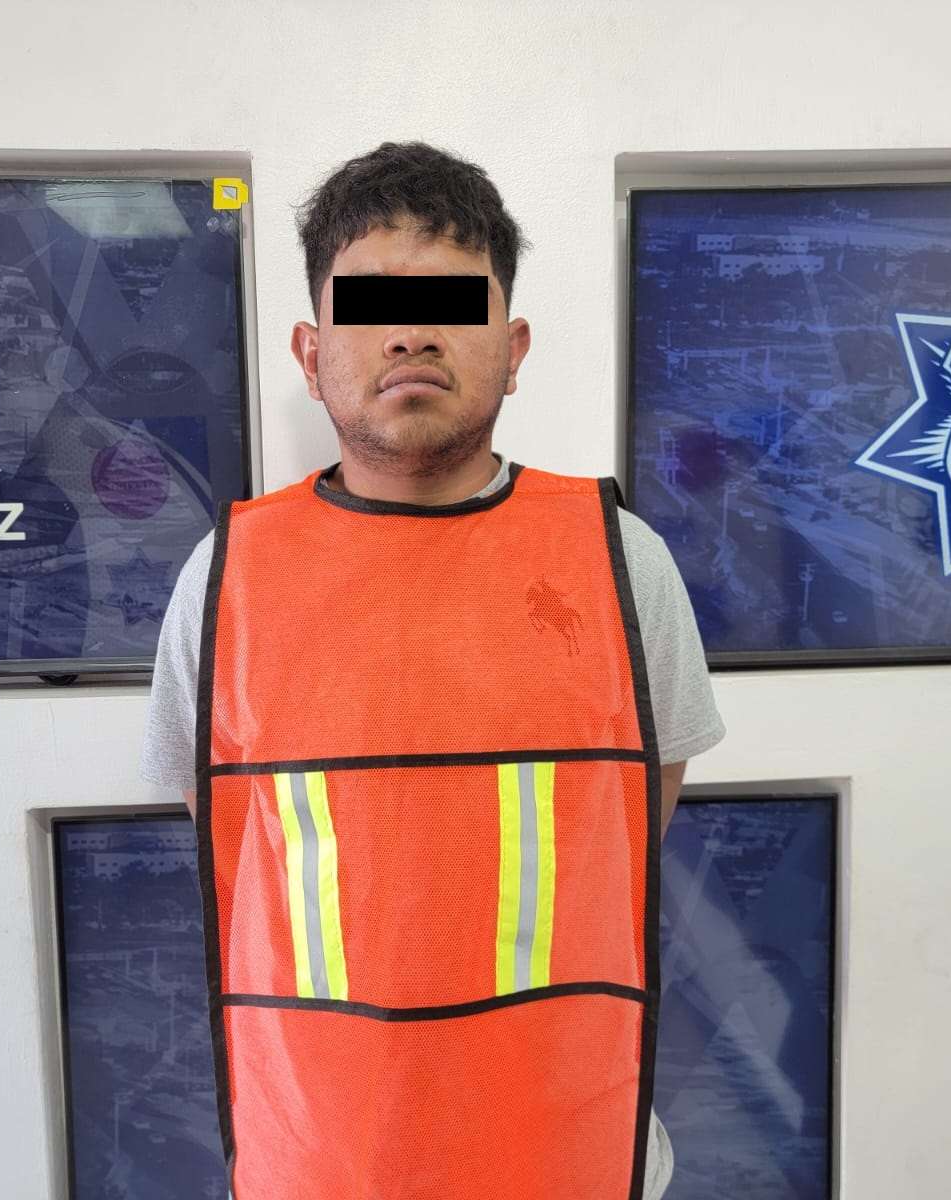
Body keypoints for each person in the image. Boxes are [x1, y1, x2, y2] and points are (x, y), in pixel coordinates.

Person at [140, 141, 725, 1200]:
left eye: (451, 302)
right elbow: (223, 829)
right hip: (319, 1165)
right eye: (370, 307)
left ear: (514, 345)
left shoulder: (620, 559)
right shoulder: (225, 577)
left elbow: (640, 814)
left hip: (574, 1159)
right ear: (311, 352)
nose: (409, 334)